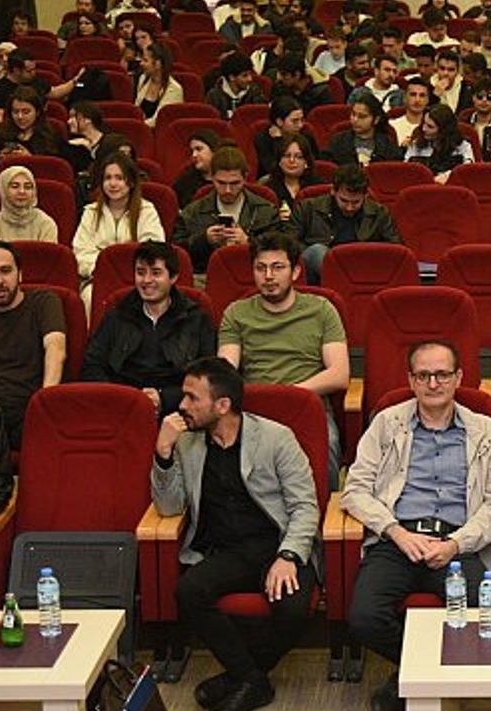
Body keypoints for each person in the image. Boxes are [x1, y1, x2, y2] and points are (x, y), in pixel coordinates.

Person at [344, 339, 491, 711]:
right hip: (398, 538)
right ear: (411, 380)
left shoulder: (486, 430)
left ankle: (409, 681)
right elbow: (354, 490)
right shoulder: (387, 423)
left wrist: (454, 544)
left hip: (458, 543)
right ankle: (419, 675)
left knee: (481, 612)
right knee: (364, 617)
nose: (433, 383)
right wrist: (396, 532)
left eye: (441, 375)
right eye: (423, 375)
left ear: (458, 378)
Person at [152, 356, 319, 711]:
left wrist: (289, 556)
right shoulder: (187, 442)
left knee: (293, 609)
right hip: (226, 550)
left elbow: (305, 506)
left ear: (222, 405)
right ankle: (252, 681)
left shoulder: (275, 438)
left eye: (192, 398)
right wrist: (163, 454)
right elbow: (169, 507)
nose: (182, 405)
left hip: (276, 544)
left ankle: (241, 677)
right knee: (189, 592)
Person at [218, 232, 349, 487]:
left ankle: (326, 510)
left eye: (278, 267)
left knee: (329, 443)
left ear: (296, 271)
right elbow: (226, 370)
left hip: (307, 404)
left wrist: (289, 395)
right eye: (261, 268)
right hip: (253, 408)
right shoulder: (236, 313)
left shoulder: (321, 309)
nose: (268, 276)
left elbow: (339, 374)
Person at [81, 242, 216, 417]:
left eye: (156, 273)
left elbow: (207, 375)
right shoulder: (117, 315)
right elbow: (92, 365)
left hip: (180, 410)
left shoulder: (196, 318)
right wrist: (125, 397)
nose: (146, 280)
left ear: (173, 277)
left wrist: (164, 398)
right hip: (120, 408)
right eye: (141, 272)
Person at [0, 241, 65, 453]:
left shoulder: (44, 302)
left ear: (20, 274)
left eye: (6, 271)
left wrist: (45, 402)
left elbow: (56, 349)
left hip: (28, 410)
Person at [73, 153, 167, 308]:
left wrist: (129, 270)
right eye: (107, 178)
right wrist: (106, 269)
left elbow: (153, 248)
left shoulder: (146, 210)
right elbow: (81, 252)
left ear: (131, 182)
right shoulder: (90, 212)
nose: (112, 184)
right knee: (89, 297)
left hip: (138, 278)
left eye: (119, 178)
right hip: (99, 278)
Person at [174, 146, 280, 273]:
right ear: (212, 177)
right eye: (221, 183)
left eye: (234, 183)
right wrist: (204, 240)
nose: (228, 190)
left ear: (245, 177)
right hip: (206, 275)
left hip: (255, 274)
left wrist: (248, 242)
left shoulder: (266, 211)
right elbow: (177, 254)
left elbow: (279, 252)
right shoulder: (192, 213)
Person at [292, 163, 401, 283]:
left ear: (365, 195)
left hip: (363, 265)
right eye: (344, 200)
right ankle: (345, 281)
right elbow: (290, 243)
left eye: (356, 202)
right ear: (333, 191)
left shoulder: (379, 212)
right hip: (320, 268)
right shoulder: (307, 208)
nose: (349, 208)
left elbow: (395, 248)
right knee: (318, 251)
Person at [0, 87, 63, 170]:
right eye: (15, 112)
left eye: (26, 112)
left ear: (37, 112)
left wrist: (29, 159)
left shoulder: (50, 137)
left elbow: (55, 169)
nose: (20, 117)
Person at [326, 94, 403, 167]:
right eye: (353, 114)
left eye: (362, 116)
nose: (355, 120)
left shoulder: (387, 146)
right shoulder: (338, 142)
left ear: (376, 120)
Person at [405, 104, 476, 181]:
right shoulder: (416, 145)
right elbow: (407, 171)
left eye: (430, 126)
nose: (424, 129)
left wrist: (447, 175)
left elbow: (467, 172)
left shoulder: (463, 147)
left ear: (444, 131)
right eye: (423, 123)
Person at [0, 166, 58, 243]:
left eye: (28, 187)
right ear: (3, 191)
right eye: (15, 186)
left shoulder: (46, 223)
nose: (22, 191)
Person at [263, 133, 325, 220]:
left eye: (298, 157)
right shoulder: (268, 189)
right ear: (279, 162)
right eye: (286, 156)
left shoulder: (319, 188)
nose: (292, 160)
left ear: (306, 162)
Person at [254, 96, 311, 180]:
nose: (300, 125)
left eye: (302, 120)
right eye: (295, 121)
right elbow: (272, 168)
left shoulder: (305, 136)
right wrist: (279, 141)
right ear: (279, 121)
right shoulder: (263, 140)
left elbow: (312, 165)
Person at [206, 52, 268, 120]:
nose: (250, 79)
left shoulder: (255, 92)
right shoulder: (214, 96)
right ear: (232, 77)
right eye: (245, 76)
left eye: (250, 74)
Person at [135, 44, 184, 128]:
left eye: (145, 60)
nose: (141, 63)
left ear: (158, 64)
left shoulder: (175, 89)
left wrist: (136, 125)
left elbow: (158, 121)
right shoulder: (142, 79)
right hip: (141, 128)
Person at [458, 79, 491, 152]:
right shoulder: (464, 122)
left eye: (489, 97)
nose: (484, 100)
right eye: (479, 96)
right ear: (473, 98)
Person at [432, 49, 472, 114]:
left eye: (451, 70)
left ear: (457, 71)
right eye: (442, 68)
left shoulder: (466, 88)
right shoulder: (428, 86)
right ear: (437, 69)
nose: (446, 73)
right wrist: (435, 97)